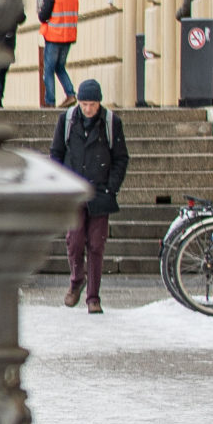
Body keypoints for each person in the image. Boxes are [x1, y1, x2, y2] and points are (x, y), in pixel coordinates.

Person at [50, 76, 127, 313]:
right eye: (84, 104)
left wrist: (111, 187)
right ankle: (76, 281)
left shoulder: (111, 122)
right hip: (74, 192)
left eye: (92, 104)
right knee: (74, 243)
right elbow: (56, 154)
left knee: (96, 245)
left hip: (101, 192)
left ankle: (93, 297)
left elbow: (121, 158)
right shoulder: (67, 121)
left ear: (99, 103)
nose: (88, 108)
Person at [36, 0, 78, 106]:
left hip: (54, 37)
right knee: (60, 67)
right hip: (68, 37)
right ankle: (70, 94)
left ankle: (50, 101)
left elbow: (43, 17)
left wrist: (41, 7)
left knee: (48, 70)